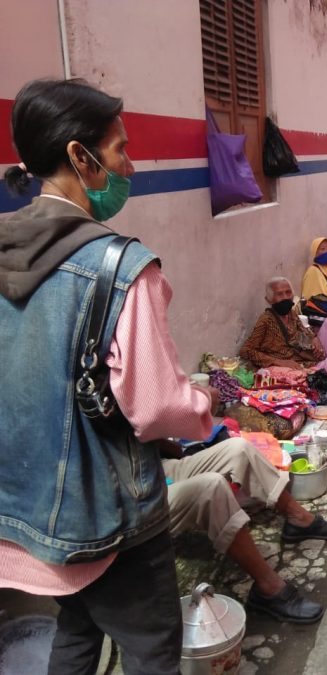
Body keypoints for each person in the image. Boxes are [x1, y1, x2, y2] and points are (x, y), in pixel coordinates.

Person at [0, 79, 212, 673]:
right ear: (79, 157)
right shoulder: (119, 267)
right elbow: (156, 408)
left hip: (22, 504)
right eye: (119, 149)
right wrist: (203, 400)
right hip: (108, 515)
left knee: (78, 629)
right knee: (151, 652)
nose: (129, 163)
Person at [163, 437, 327, 623]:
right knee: (211, 487)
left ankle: (298, 519)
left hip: (154, 467)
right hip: (136, 499)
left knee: (240, 448)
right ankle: (268, 588)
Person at [240, 277, 327, 383]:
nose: (285, 297)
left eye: (288, 292)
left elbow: (304, 329)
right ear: (269, 299)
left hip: (312, 355)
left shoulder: (291, 314)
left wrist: (314, 338)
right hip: (303, 366)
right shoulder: (266, 320)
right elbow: (246, 350)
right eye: (280, 294)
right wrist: (279, 362)